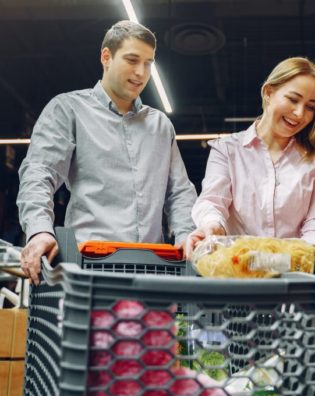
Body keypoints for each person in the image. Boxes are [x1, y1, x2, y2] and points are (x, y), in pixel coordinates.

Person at [17, 20, 197, 284]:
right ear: (106, 57)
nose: (141, 72)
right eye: (132, 60)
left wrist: (187, 235)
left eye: (148, 63)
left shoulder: (160, 126)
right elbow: (39, 173)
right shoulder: (68, 110)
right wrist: (39, 231)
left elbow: (179, 191)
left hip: (153, 271)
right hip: (88, 271)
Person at [185, 57, 315, 260]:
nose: (300, 113)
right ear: (269, 92)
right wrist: (212, 227)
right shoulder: (227, 150)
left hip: (297, 277)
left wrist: (293, 261)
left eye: (310, 107)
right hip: (238, 271)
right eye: (293, 99)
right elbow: (212, 202)